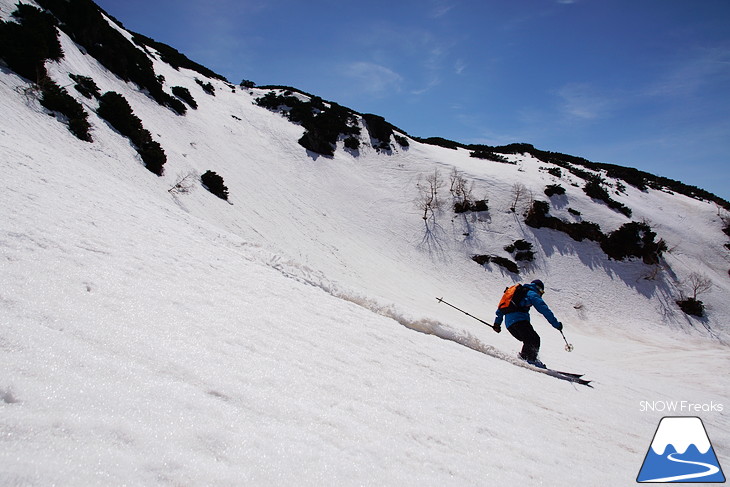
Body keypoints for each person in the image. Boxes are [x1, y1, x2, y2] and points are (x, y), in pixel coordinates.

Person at [493, 279, 562, 368]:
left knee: (529, 340)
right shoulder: (532, 294)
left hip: (510, 325)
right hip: (519, 321)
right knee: (534, 339)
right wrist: (556, 324)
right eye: (542, 292)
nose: (541, 294)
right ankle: (529, 360)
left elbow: (501, 307)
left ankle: (528, 358)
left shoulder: (517, 293)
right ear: (538, 289)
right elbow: (544, 309)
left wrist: (497, 324)